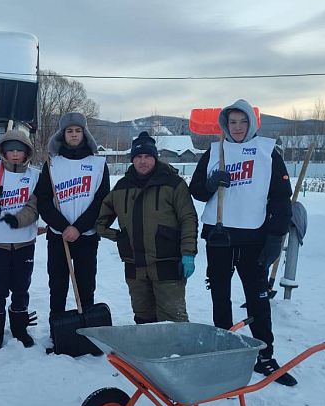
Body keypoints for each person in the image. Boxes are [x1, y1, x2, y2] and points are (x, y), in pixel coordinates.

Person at [189, 99, 296, 386]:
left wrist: (275, 237)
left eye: (242, 122)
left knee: (257, 299)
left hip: (254, 240)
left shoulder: (267, 152)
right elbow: (196, 191)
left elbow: (281, 199)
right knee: (220, 297)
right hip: (219, 238)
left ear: (251, 123)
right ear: (225, 124)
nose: (237, 127)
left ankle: (265, 354)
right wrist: (211, 184)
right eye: (232, 122)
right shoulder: (215, 152)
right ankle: (224, 351)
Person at [95, 131, 198, 323]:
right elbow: (100, 221)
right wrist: (120, 236)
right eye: (139, 157)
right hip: (135, 265)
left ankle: (176, 353)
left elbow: (188, 218)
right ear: (133, 159)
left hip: (166, 262)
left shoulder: (173, 184)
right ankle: (149, 353)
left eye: (148, 156)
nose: (143, 161)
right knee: (143, 317)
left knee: (172, 319)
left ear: (155, 158)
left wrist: (188, 253)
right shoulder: (121, 187)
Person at [34, 112, 110, 326]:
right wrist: (63, 226)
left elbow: (102, 201)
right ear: (62, 134)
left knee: (86, 285)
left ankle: (87, 329)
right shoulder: (52, 165)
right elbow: (44, 201)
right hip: (59, 237)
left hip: (87, 236)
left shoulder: (98, 164)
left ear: (85, 134)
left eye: (78, 131)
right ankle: (57, 331)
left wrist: (78, 227)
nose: (74, 135)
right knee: (57, 286)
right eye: (69, 131)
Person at [0, 130, 40, 352]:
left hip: (24, 242)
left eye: (19, 151)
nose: (14, 154)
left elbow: (34, 207)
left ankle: (20, 330)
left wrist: (17, 220)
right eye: (10, 150)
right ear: (3, 151)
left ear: (26, 153)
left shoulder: (35, 176)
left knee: (21, 289)